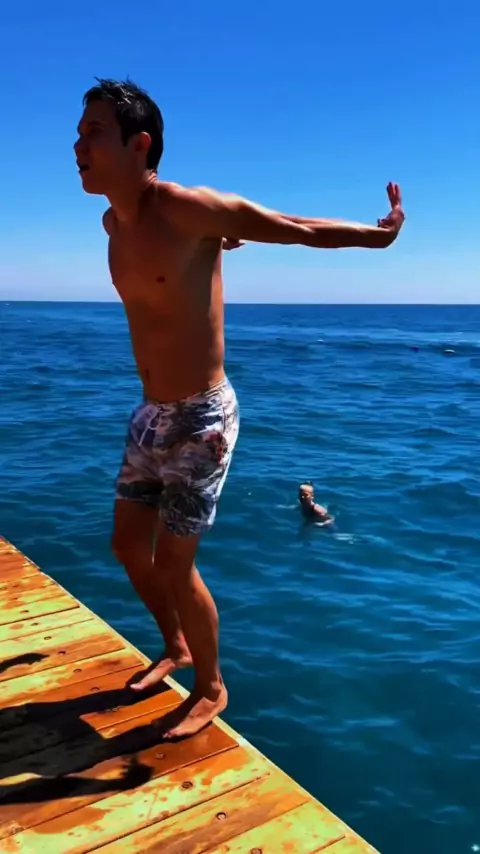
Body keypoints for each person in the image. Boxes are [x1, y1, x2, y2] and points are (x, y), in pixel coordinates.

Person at [74, 77, 405, 738]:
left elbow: (293, 227)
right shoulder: (113, 222)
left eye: (94, 134)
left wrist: (380, 237)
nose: (78, 147)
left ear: (139, 145)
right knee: (126, 545)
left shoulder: (189, 207)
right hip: (150, 414)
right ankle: (175, 647)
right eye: (78, 135)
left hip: (203, 418)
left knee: (175, 564)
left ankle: (212, 687)